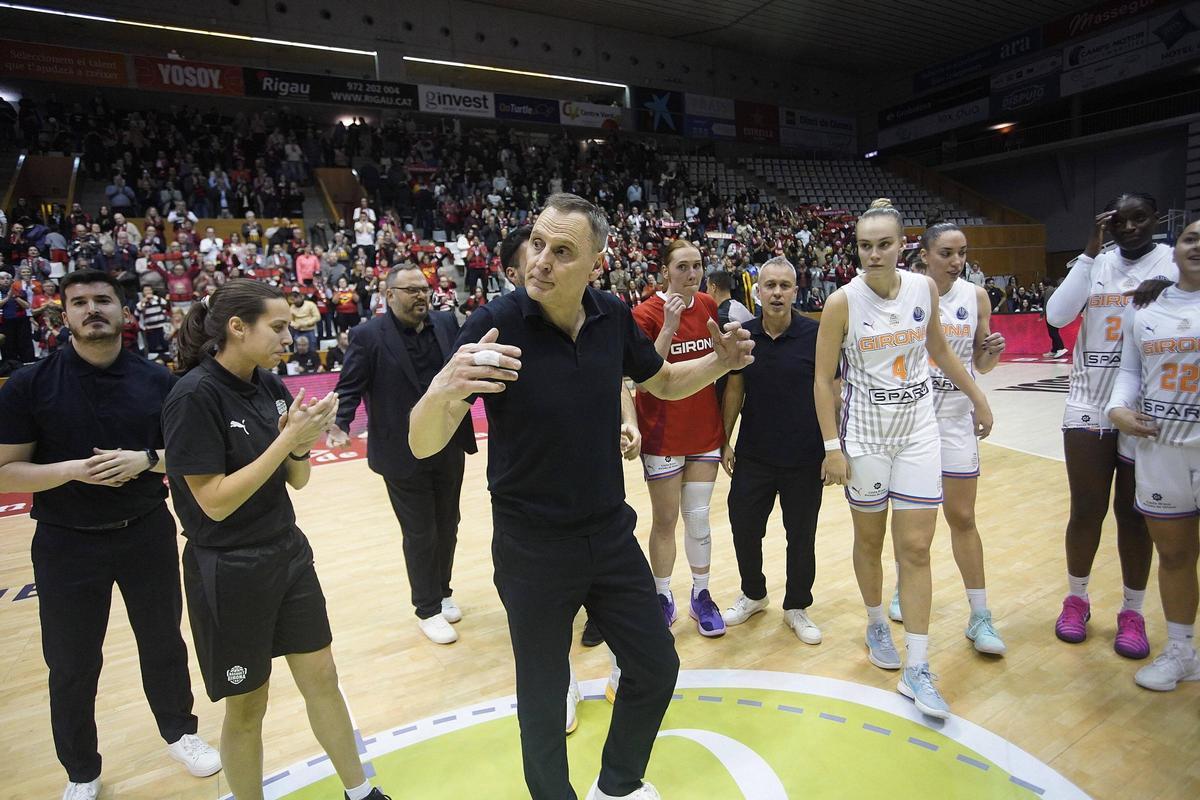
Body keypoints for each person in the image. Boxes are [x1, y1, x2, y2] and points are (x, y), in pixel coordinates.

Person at [409, 193, 754, 800]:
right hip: (531, 546)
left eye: (562, 251)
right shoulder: (498, 322)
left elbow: (663, 381)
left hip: (609, 535)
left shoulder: (611, 316)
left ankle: (617, 784)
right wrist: (443, 389)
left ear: (596, 261)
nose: (540, 260)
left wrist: (721, 366)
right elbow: (422, 441)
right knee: (543, 697)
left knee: (655, 666)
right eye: (537, 244)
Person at [162, 280, 391, 800]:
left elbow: (297, 481)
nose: (289, 335)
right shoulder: (194, 396)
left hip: (287, 553)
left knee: (323, 677)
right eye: (279, 326)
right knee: (247, 706)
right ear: (237, 328)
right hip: (228, 569)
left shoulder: (267, 384)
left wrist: (302, 446)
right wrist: (286, 439)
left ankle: (360, 791)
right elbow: (214, 501)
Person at [0, 270, 220, 800]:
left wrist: (145, 460)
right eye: (80, 302)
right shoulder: (31, 384)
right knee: (72, 660)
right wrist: (70, 471)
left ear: (124, 311)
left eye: (103, 300)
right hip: (65, 541)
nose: (92, 309)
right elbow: (6, 471)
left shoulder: (159, 383)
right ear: (64, 315)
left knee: (164, 642)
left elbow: (190, 456)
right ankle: (81, 769)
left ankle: (181, 732)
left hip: (145, 532)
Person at [814, 199, 994, 720]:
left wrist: (978, 396)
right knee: (870, 541)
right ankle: (875, 621)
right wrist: (832, 447)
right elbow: (823, 379)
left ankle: (918, 666)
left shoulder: (923, 289)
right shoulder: (841, 303)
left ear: (901, 246)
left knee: (916, 549)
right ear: (857, 249)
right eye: (865, 246)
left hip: (919, 430)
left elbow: (939, 350)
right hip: (866, 436)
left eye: (884, 244)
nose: (874, 254)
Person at [1045, 193, 1177, 659]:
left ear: (1156, 219)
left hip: (1145, 406)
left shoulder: (1172, 264)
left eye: (1140, 217)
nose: (1131, 227)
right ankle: (1076, 600)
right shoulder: (1096, 263)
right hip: (1089, 397)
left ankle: (1132, 612)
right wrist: (1086, 251)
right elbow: (1057, 315)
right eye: (1121, 220)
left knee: (1134, 515)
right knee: (1086, 509)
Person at [327, 264, 477, 644]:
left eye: (423, 288)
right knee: (420, 531)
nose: (420, 296)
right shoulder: (367, 335)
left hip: (446, 441)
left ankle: (442, 592)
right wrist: (341, 424)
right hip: (400, 451)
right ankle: (426, 608)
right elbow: (350, 386)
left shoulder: (446, 323)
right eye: (410, 290)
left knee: (448, 523)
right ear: (388, 294)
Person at [887, 223, 1008, 655]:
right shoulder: (906, 291)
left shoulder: (976, 296)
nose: (957, 262)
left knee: (963, 517)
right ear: (924, 254)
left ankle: (980, 616)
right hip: (912, 420)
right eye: (946, 253)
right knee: (912, 523)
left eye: (962, 253)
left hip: (956, 418)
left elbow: (981, 362)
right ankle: (903, 586)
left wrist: (990, 353)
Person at [1107, 217, 1200, 691]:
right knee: (1175, 555)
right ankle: (1182, 651)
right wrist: (1117, 408)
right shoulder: (1146, 311)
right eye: (1190, 238)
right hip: (1161, 448)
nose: (1198, 246)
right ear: (1175, 247)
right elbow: (1129, 372)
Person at [719, 257, 824, 644]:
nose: (777, 293)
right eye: (770, 286)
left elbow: (832, 393)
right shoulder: (743, 335)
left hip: (804, 457)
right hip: (754, 455)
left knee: (801, 535)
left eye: (785, 285)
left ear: (795, 291)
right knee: (743, 526)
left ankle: (797, 605)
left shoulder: (817, 334)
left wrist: (833, 448)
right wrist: (723, 438)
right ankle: (753, 593)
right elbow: (734, 388)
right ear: (758, 292)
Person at [632, 238, 727, 637]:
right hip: (662, 433)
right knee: (666, 520)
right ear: (665, 272)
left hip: (704, 431)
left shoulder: (708, 306)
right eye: (682, 267)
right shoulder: (644, 313)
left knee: (699, 518)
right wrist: (669, 326)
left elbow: (719, 366)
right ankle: (661, 594)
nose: (691, 274)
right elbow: (643, 375)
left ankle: (701, 595)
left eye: (697, 266)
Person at [1041, 278, 1067, 358]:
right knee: (1054, 332)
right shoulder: (1052, 289)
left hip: (1051, 314)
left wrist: (1043, 313)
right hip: (1056, 313)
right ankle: (1054, 350)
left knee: (1053, 332)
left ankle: (1061, 348)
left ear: (1043, 284)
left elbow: (1047, 303)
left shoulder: (1048, 291)